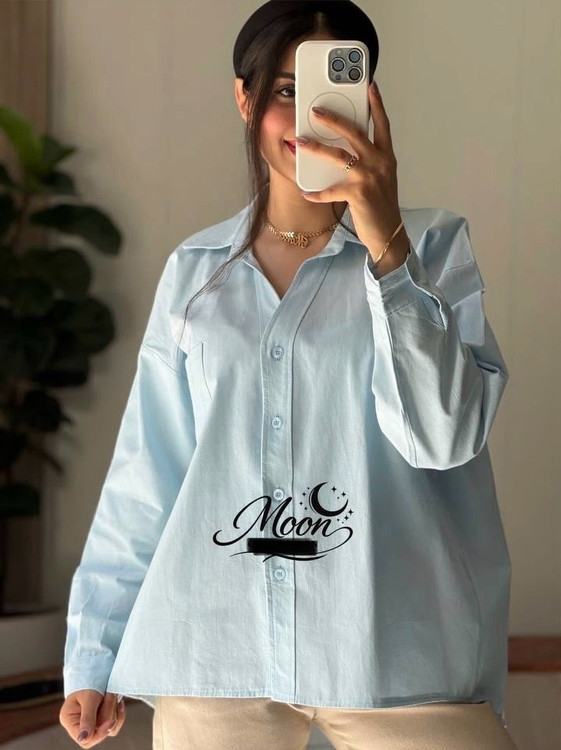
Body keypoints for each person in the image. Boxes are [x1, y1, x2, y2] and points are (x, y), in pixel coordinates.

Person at [59, 2, 520, 748]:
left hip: (396, 649)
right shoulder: (197, 273)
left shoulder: (432, 249)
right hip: (212, 653)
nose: (311, 117)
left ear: (369, 99)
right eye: (284, 90)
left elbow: (443, 437)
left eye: (333, 89)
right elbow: (149, 472)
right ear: (244, 100)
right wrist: (94, 651)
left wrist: (385, 245)